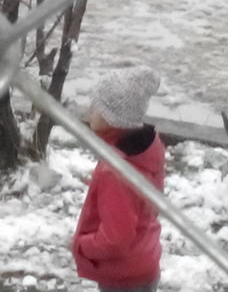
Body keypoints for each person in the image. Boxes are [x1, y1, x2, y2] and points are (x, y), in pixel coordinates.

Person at [72, 66, 165, 292]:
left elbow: (116, 239)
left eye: (97, 107)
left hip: (123, 278)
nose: (89, 111)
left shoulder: (115, 172)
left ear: (113, 118)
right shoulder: (145, 151)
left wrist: (82, 246)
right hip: (142, 262)